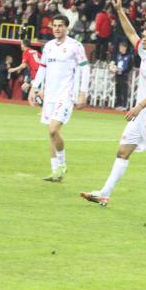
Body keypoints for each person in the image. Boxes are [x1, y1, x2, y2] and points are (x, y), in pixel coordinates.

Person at [80, 0, 146, 213]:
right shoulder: (145, 54)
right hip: (140, 115)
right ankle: (104, 193)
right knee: (122, 151)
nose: (144, 39)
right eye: (145, 36)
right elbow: (131, 33)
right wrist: (120, 10)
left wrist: (139, 106)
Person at [28, 14, 90, 181]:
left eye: (60, 25)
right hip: (50, 95)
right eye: (54, 25)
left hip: (66, 94)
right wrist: (34, 87)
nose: (57, 28)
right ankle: (56, 171)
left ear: (66, 27)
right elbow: (42, 67)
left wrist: (83, 92)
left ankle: (62, 164)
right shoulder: (48, 46)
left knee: (53, 129)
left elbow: (85, 68)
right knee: (51, 134)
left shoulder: (75, 46)